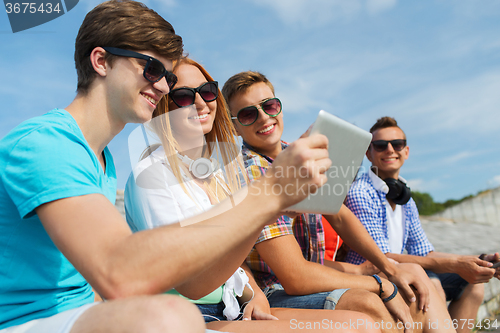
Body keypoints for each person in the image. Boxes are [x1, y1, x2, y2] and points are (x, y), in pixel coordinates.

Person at [0, 2, 335, 332]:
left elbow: (187, 280)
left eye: (167, 75)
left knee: (356, 324)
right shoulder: (47, 143)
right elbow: (120, 271)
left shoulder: (102, 160)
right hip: (26, 323)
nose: (162, 86)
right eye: (151, 69)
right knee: (170, 317)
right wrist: (270, 191)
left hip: (82, 317)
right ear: (101, 61)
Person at [124, 57, 380, 333]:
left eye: (208, 91)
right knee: (357, 325)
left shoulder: (218, 174)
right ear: (163, 104)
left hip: (232, 306)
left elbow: (231, 257)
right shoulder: (152, 176)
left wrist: (253, 291)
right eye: (184, 96)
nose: (201, 103)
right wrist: (268, 205)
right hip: (186, 314)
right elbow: (193, 283)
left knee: (364, 322)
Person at [222, 70, 461, 333]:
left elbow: (339, 215)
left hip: (310, 278)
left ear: (279, 106)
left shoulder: (299, 154)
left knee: (416, 287)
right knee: (370, 302)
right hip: (270, 292)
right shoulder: (249, 172)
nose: (265, 117)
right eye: (248, 114)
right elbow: (294, 278)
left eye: (270, 106)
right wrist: (380, 282)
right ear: (233, 124)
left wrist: (388, 269)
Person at [344, 116, 500, 333]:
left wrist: (477, 261)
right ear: (368, 153)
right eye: (380, 145)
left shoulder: (404, 196)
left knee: (472, 285)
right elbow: (383, 257)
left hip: (399, 272)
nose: (389, 149)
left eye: (396, 144)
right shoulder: (360, 193)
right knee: (432, 282)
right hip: (373, 275)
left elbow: (425, 252)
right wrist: (455, 263)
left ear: (406, 151)